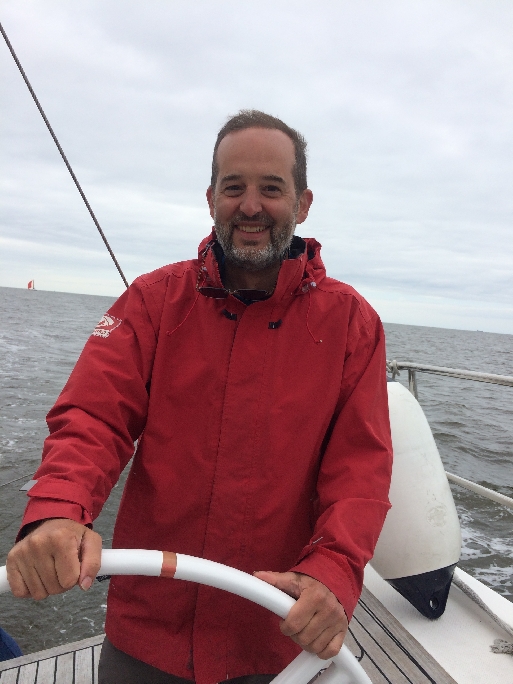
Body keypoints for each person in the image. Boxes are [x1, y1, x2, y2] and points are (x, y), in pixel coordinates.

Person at [6, 110, 393, 684]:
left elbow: (360, 469)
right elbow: (93, 418)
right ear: (211, 198)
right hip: (147, 636)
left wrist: (333, 570)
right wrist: (60, 510)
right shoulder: (151, 301)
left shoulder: (353, 324)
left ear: (304, 203)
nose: (250, 206)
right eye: (234, 187)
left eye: (271, 189)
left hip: (273, 637)